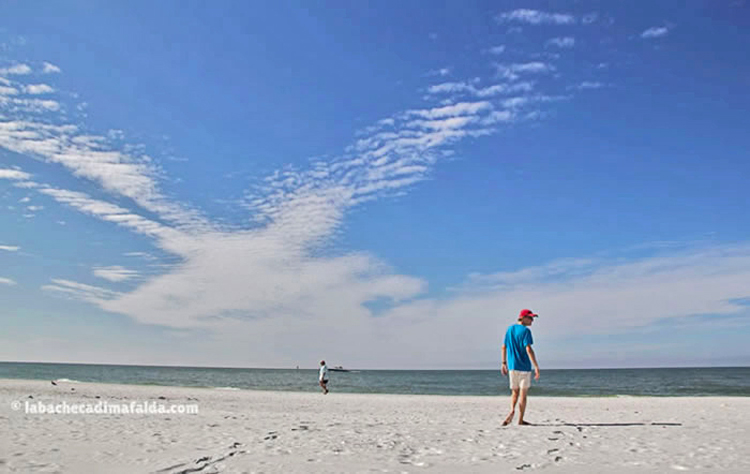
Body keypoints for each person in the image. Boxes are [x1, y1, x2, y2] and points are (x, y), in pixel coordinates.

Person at [501, 309, 540, 426]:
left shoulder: (510, 330)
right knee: (523, 394)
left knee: (514, 393)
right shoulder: (526, 331)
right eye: (530, 318)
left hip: (512, 366)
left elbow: (504, 347)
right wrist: (536, 366)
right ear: (523, 318)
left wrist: (504, 363)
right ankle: (520, 420)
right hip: (524, 367)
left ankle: (512, 410)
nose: (532, 321)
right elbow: (528, 349)